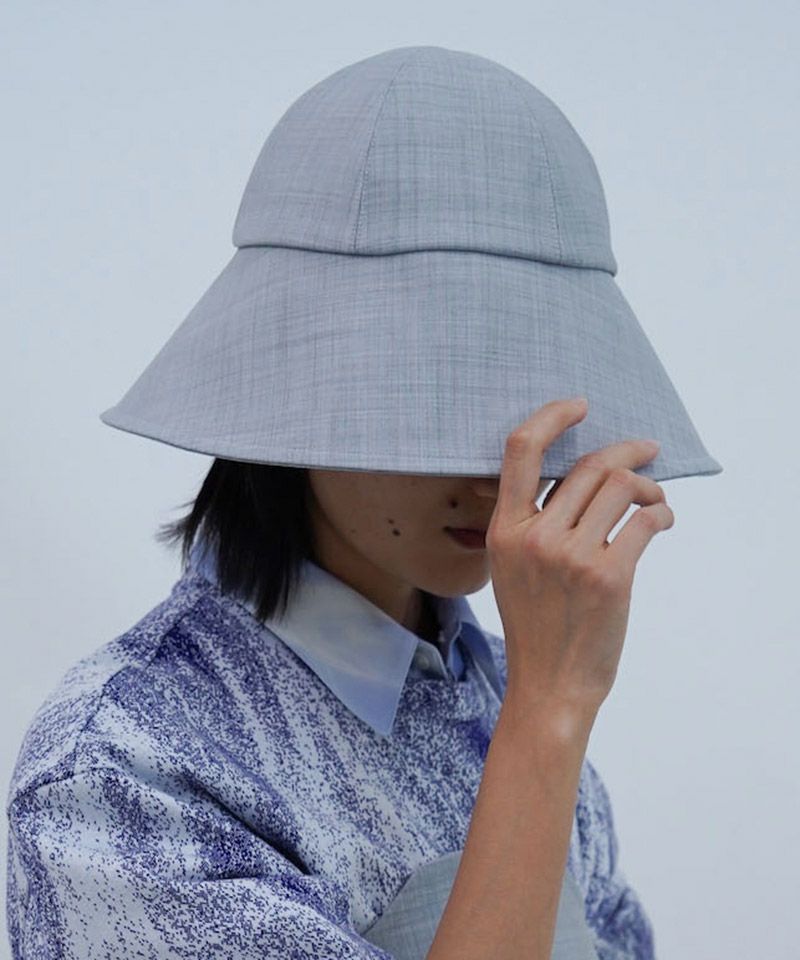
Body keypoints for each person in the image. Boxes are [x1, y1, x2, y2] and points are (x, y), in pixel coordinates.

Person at [6, 43, 721, 960]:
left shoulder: (508, 691)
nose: (496, 472)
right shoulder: (123, 773)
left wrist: (543, 710)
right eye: (435, 404)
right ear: (299, 383)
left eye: (526, 402)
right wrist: (548, 716)